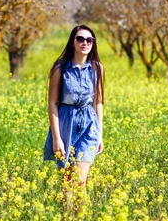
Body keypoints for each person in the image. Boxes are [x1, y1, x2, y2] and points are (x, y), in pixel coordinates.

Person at [43, 25, 104, 211]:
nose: (85, 43)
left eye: (89, 40)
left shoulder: (97, 68)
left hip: (88, 126)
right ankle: (66, 215)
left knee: (79, 180)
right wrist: (57, 138)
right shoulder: (60, 68)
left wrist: (100, 134)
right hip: (65, 124)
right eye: (80, 39)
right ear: (72, 42)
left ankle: (79, 215)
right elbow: (52, 103)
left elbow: (98, 102)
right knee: (66, 182)